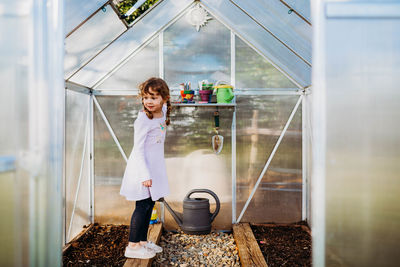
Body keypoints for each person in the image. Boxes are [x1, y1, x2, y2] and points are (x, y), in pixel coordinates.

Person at [120, 77, 172, 259]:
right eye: (145, 97)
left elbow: (168, 104)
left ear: (164, 99)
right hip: (142, 169)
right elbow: (138, 149)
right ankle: (132, 246)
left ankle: (142, 242)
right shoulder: (143, 119)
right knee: (141, 206)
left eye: (154, 97)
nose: (148, 101)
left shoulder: (163, 110)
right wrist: (144, 175)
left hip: (154, 168)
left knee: (150, 204)